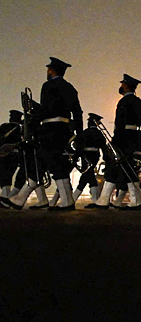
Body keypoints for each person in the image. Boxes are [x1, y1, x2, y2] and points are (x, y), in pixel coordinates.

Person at [8, 57, 82, 210]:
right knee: (41, 164)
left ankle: (66, 202)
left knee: (52, 163)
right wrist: (78, 134)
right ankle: (20, 199)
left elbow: (46, 109)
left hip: (50, 130)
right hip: (63, 131)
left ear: (51, 70)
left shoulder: (48, 86)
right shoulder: (70, 88)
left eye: (48, 69)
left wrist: (32, 121)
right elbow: (77, 113)